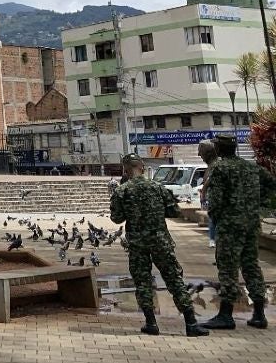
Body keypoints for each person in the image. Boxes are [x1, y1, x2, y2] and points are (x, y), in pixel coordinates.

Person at [110, 153, 207, 337]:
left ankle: (151, 323)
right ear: (142, 167)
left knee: (142, 281)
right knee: (174, 279)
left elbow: (116, 218)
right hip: (160, 240)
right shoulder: (157, 187)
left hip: (137, 243)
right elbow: (174, 211)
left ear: (126, 170)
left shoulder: (122, 191)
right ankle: (191, 323)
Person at [201, 135, 276, 330]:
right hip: (251, 224)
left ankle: (226, 314)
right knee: (251, 266)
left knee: (228, 268)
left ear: (218, 149)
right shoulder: (250, 167)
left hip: (230, 225)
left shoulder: (220, 168)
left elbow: (216, 200)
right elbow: (271, 183)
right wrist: (259, 205)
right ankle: (259, 314)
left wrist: (215, 217)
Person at [196, 139, 219, 249]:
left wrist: (204, 192)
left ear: (208, 153)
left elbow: (210, 180)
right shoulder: (211, 166)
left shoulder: (216, 166)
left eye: (201, 151)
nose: (198, 154)